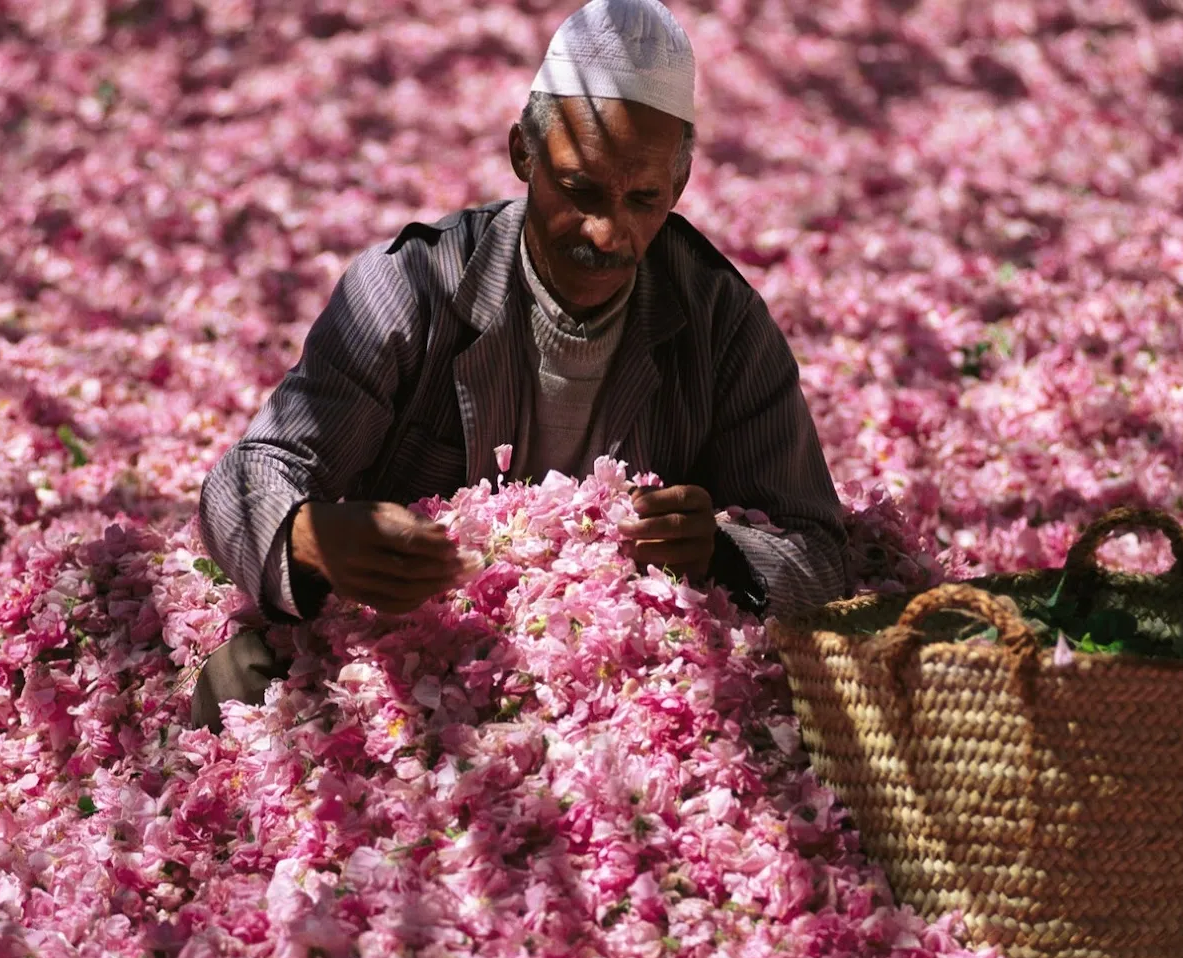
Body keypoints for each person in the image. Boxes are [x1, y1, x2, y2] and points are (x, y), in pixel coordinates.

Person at [192, 0, 851, 731]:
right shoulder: (413, 288)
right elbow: (248, 473)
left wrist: (722, 553)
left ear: (680, 187)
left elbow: (819, 549)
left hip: (620, 698)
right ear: (522, 155)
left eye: (643, 200)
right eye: (580, 190)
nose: (608, 232)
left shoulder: (722, 323)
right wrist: (310, 537)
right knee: (242, 682)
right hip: (404, 669)